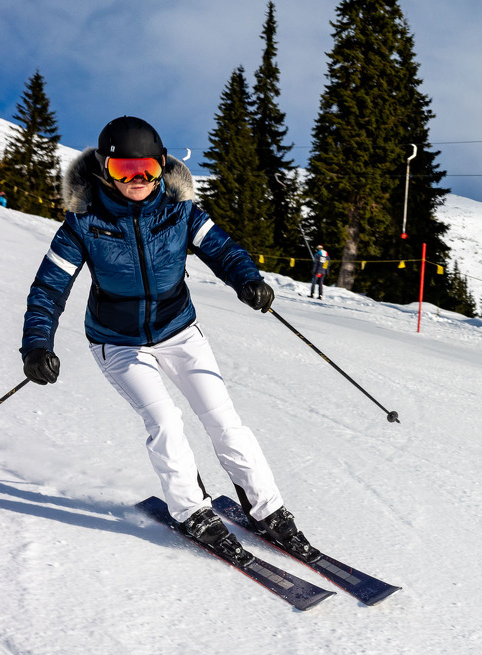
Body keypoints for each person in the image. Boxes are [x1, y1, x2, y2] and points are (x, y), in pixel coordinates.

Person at [20, 116, 318, 563]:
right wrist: (36, 345)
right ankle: (191, 511)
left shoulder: (180, 212)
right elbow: (48, 288)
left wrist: (247, 278)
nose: (137, 180)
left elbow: (223, 249)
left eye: (147, 168)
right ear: (104, 169)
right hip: (118, 342)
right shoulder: (83, 224)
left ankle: (267, 509)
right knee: (165, 421)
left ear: (162, 165)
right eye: (124, 170)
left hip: (179, 332)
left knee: (224, 420)